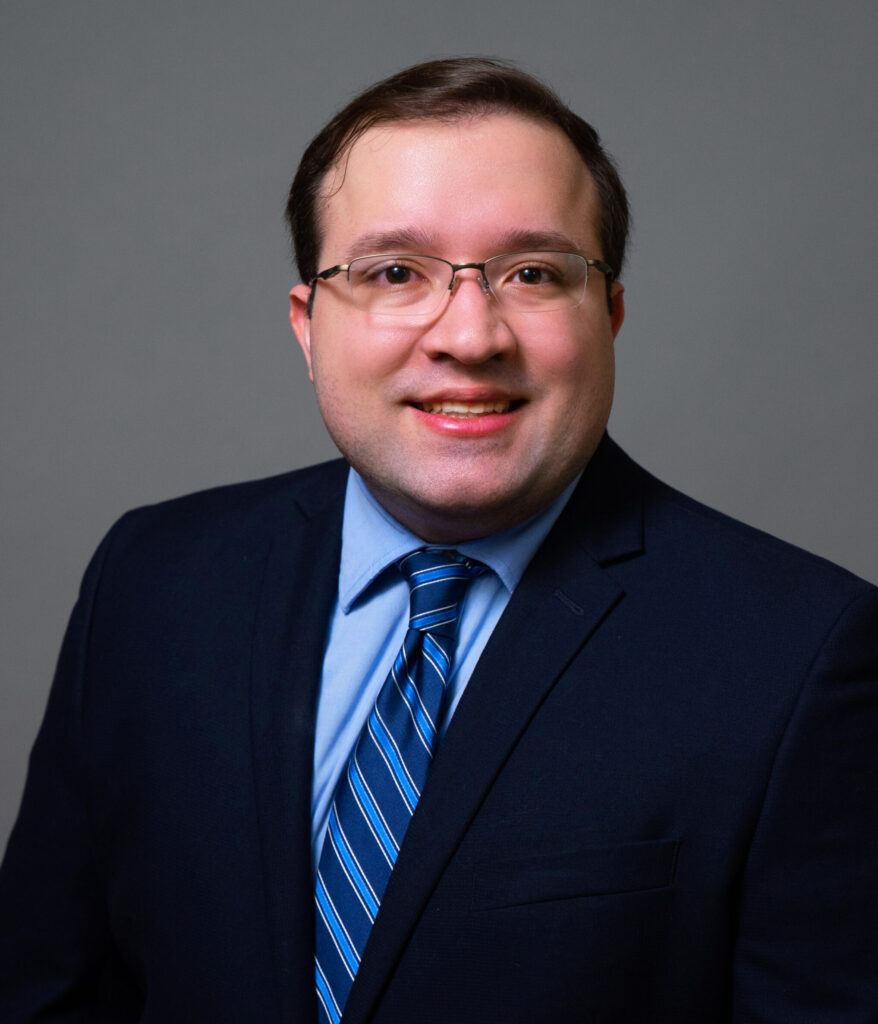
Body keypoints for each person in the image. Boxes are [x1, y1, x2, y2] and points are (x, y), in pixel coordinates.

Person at [1, 57, 876, 1024]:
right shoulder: (152, 581)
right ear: (308, 325)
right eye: (394, 272)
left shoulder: (801, 654)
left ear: (611, 315)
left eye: (533, 273)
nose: (469, 335)